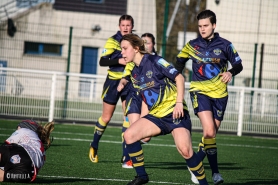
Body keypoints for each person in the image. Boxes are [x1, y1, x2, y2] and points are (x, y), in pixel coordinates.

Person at [118, 33, 209, 185]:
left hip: (175, 112)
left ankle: (204, 183)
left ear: (136, 49)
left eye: (125, 48)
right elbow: (143, 98)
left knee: (185, 151)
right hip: (156, 116)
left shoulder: (155, 61)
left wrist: (179, 103)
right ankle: (142, 176)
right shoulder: (134, 72)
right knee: (129, 135)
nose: (122, 52)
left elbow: (179, 78)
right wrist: (136, 118)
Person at [175, 10, 243, 185]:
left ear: (214, 25)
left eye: (205, 26)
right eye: (199, 26)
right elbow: (179, 63)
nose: (202, 29)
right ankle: (215, 173)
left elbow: (238, 64)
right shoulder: (192, 45)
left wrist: (230, 72)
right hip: (200, 91)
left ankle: (195, 162)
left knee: (210, 136)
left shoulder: (226, 45)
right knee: (209, 131)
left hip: (220, 94)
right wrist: (175, 77)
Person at [89, 14, 135, 169]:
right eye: (123, 25)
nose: (125, 28)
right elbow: (102, 61)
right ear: (119, 26)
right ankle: (94, 144)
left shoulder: (134, 42)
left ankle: (126, 156)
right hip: (112, 83)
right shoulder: (112, 41)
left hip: (128, 83)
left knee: (128, 117)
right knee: (106, 117)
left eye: (128, 25)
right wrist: (118, 61)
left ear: (132, 27)